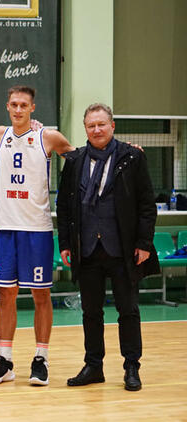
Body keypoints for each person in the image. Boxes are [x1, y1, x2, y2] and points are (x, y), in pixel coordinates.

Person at [57, 103, 159, 391]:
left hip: (123, 249)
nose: (97, 129)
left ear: (112, 126)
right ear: (85, 129)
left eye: (101, 124)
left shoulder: (131, 157)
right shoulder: (75, 161)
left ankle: (131, 367)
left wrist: (144, 243)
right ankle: (93, 366)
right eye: (91, 125)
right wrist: (66, 243)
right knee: (91, 312)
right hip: (87, 249)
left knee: (128, 310)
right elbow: (64, 206)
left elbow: (146, 204)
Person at [0, 86, 73, 386]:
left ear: (33, 108)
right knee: (6, 294)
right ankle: (5, 360)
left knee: (40, 294)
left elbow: (80, 157)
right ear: (7, 106)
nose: (18, 109)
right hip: (7, 228)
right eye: (14, 104)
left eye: (24, 105)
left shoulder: (48, 137)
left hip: (37, 229)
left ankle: (40, 359)